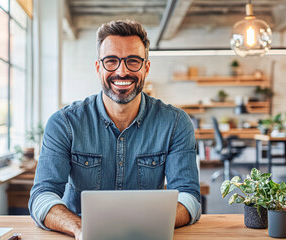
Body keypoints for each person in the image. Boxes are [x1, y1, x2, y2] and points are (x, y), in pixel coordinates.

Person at [29, 19, 201, 239]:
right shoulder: (64, 123)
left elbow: (189, 198)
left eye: (133, 61)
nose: (122, 71)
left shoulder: (176, 123)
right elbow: (42, 196)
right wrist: (81, 229)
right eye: (111, 61)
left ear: (146, 68)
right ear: (98, 67)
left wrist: (146, 225)